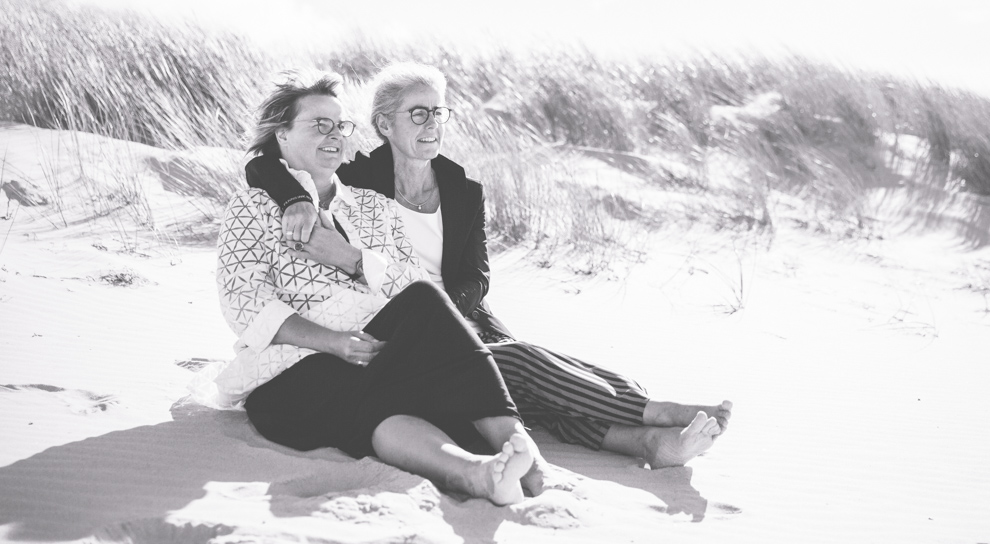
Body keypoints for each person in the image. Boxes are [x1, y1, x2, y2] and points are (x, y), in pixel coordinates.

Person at [245, 62, 732, 484]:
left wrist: (449, 322)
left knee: (517, 377)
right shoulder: (355, 179)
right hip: (396, 322)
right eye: (418, 112)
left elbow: (477, 275)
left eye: (440, 112)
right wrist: (292, 198)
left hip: (459, 313)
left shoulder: (462, 189)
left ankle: (645, 440)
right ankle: (650, 416)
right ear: (383, 124)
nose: (433, 123)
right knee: (513, 367)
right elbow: (265, 164)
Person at [200, 70, 541, 506]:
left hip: (377, 355)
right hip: (289, 376)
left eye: (341, 125)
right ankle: (483, 468)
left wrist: (355, 260)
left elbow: (414, 285)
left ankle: (503, 465)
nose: (335, 135)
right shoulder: (252, 205)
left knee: (418, 315)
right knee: (377, 397)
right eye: (318, 124)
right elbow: (243, 302)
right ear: (281, 134)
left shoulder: (375, 207)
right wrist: (334, 342)